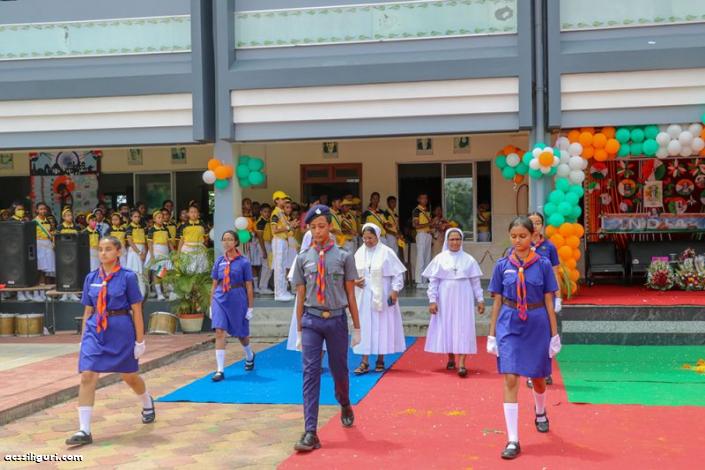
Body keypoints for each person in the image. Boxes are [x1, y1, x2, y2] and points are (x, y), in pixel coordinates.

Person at [65, 236, 153, 447]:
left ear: (118, 252)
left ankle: (147, 400)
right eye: (100, 249)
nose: (103, 253)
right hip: (95, 330)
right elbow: (88, 310)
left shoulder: (127, 277)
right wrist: (83, 338)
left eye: (108, 249)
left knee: (129, 376)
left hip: (121, 329)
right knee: (87, 375)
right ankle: (84, 429)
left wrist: (140, 341)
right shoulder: (91, 277)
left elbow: (137, 310)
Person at [487, 216, 561, 460]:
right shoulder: (502, 265)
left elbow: (549, 300)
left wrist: (554, 334)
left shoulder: (543, 264)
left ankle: (540, 411)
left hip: (537, 322)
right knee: (510, 377)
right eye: (513, 236)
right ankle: (513, 439)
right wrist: (491, 334)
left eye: (523, 236)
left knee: (538, 378)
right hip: (509, 322)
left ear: (533, 237)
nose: (517, 241)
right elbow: (497, 301)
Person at [291, 204, 362, 452]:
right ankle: (311, 431)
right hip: (311, 320)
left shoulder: (344, 256)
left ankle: (344, 401)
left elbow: (350, 295)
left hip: (336, 320)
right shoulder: (302, 259)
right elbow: (300, 296)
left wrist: (357, 327)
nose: (317, 231)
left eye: (321, 226)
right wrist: (299, 331)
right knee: (310, 372)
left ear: (329, 227)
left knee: (339, 370)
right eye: (313, 227)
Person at [423, 228, 484, 378]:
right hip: (445, 296)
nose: (455, 242)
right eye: (452, 239)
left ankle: (462, 364)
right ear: (447, 241)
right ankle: (451, 357)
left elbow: (475, 282)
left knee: (463, 327)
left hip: (464, 296)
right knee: (448, 325)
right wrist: (432, 300)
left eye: (458, 239)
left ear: (461, 241)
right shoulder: (440, 258)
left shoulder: (469, 259)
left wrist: (480, 299)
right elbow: (433, 282)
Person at [352, 223, 406, 374]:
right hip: (364, 296)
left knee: (381, 326)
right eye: (365, 238)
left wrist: (395, 291)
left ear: (377, 236)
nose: (367, 241)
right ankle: (364, 362)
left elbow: (398, 274)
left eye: (370, 238)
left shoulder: (386, 252)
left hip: (382, 294)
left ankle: (380, 359)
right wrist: (355, 281)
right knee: (364, 327)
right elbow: (352, 273)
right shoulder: (359, 252)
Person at [210, 231, 256, 381]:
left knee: (241, 334)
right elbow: (214, 283)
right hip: (220, 297)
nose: (227, 242)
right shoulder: (219, 261)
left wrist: (250, 307)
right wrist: (211, 304)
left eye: (230, 239)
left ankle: (249, 354)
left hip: (237, 298)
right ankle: (220, 370)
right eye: (224, 239)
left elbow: (249, 285)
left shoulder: (244, 262)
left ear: (236, 242)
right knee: (219, 331)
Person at [526, 212, 562, 389]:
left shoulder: (549, 247)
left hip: (546, 297)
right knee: (529, 336)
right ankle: (531, 373)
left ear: (542, 225)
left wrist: (558, 296)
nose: (535, 226)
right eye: (532, 222)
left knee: (546, 336)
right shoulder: (522, 245)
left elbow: (555, 272)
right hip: (527, 298)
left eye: (538, 222)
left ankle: (546, 372)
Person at [286, 231, 325, 352]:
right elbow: (295, 281)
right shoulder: (302, 257)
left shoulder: (329, 254)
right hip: (307, 299)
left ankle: (319, 356)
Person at [270, 191, 294, 301]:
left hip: (283, 240)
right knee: (279, 267)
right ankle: (278, 294)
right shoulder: (275, 213)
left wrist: (291, 226)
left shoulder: (282, 213)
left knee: (283, 267)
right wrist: (289, 227)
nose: (284, 201)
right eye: (282, 199)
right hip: (278, 241)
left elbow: (286, 228)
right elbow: (274, 230)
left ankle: (283, 291)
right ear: (276, 200)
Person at [176, 205, 209, 274]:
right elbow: (181, 240)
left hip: (200, 249)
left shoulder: (202, 224)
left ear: (198, 214)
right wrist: (178, 253)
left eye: (195, 212)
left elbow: (206, 237)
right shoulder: (184, 225)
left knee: (200, 270)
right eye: (191, 212)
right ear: (188, 214)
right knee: (188, 270)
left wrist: (205, 244)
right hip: (187, 249)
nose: (193, 214)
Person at [57, 208, 81, 302]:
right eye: (67, 215)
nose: (69, 217)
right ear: (63, 217)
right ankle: (64, 293)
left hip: (74, 253)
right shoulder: (60, 227)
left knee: (74, 272)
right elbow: (57, 239)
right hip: (63, 253)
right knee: (64, 272)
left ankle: (73, 293)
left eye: (70, 215)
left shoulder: (76, 227)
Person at [147, 210, 171, 301]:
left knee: (163, 272)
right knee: (157, 273)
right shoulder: (152, 230)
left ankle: (165, 291)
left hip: (164, 252)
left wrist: (173, 252)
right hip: (156, 252)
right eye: (159, 217)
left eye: (162, 217)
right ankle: (159, 293)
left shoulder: (166, 229)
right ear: (154, 219)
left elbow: (169, 242)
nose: (161, 219)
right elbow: (149, 243)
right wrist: (152, 255)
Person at [34, 202, 55, 301]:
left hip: (47, 246)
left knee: (45, 271)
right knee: (38, 270)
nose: (43, 211)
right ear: (37, 210)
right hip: (39, 246)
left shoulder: (48, 221)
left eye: (44, 209)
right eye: (41, 209)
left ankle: (43, 293)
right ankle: (36, 293)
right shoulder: (34, 222)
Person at [125, 209, 147, 297]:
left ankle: (142, 293)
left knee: (142, 273)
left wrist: (144, 252)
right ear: (131, 217)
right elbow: (130, 242)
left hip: (142, 250)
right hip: (134, 252)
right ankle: (133, 294)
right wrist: (139, 253)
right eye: (135, 216)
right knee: (135, 272)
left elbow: (144, 241)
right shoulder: (129, 228)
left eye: (138, 216)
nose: (137, 218)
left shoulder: (142, 227)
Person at [412, 194, 433, 288]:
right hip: (421, 235)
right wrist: (429, 224)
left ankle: (425, 280)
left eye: (426, 198)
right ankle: (419, 281)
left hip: (428, 235)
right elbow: (416, 225)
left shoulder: (427, 211)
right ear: (418, 200)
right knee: (420, 258)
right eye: (423, 198)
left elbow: (429, 225)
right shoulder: (416, 210)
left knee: (427, 258)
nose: (425, 200)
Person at [255, 204, 274, 294]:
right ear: (261, 212)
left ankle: (264, 286)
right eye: (265, 212)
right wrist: (264, 251)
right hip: (263, 244)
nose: (267, 213)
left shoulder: (268, 221)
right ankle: (262, 287)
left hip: (269, 244)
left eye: (269, 212)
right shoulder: (260, 222)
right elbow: (260, 237)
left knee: (269, 266)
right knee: (266, 266)